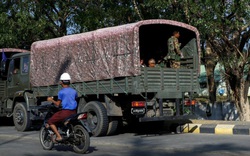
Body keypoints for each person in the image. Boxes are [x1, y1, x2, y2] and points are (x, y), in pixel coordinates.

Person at [47, 73, 78, 142]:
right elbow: (75, 98)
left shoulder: (61, 92)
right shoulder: (74, 91)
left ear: (61, 82)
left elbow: (58, 104)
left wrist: (51, 100)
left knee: (50, 121)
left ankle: (58, 136)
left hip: (65, 112)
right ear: (69, 82)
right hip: (74, 112)